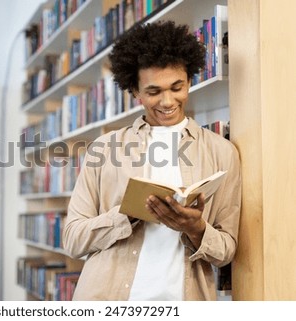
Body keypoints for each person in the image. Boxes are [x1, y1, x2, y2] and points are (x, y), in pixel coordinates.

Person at [62, 20, 241, 300]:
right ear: (136, 93)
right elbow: (73, 239)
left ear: (190, 81)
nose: (168, 101)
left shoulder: (222, 152)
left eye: (176, 87)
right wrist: (127, 213)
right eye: (154, 91)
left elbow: (227, 250)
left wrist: (195, 228)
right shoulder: (105, 148)